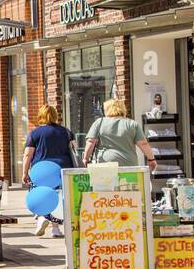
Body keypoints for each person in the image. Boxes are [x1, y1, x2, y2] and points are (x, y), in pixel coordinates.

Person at [22, 104, 77, 238]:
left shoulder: (35, 133)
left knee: (43, 195)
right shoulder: (66, 132)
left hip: (41, 170)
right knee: (57, 197)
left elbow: (28, 154)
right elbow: (74, 150)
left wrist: (24, 172)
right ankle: (55, 229)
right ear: (55, 116)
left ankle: (42, 217)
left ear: (40, 115)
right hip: (62, 169)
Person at [83, 98, 156, 172]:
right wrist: (151, 159)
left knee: (106, 183)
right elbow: (143, 144)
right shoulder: (132, 124)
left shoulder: (99, 122)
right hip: (128, 165)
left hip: (105, 164)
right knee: (128, 184)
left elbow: (91, 141)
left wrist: (86, 159)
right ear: (123, 109)